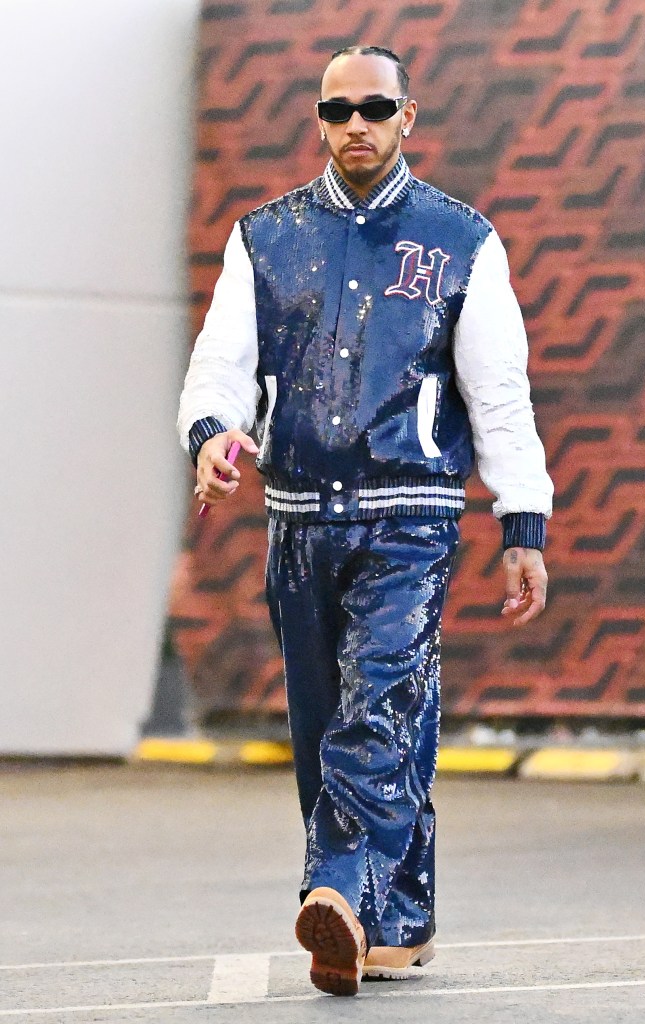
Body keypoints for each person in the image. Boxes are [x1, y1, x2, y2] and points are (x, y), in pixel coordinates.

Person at [177, 45, 552, 997]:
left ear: (407, 117)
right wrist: (214, 435)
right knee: (330, 725)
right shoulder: (262, 237)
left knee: (375, 703)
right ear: (318, 119)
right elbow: (218, 365)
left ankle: (337, 889)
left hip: (410, 516)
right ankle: (400, 920)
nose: (356, 124)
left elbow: (499, 394)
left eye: (374, 108)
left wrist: (523, 520)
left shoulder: (462, 239)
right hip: (299, 518)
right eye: (337, 109)